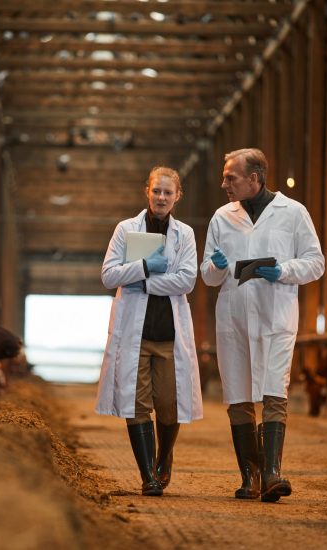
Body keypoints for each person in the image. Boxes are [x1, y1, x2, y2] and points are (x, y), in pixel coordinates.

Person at [200, 148, 324, 502]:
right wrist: (217, 266)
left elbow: (316, 263)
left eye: (231, 177)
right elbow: (207, 275)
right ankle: (249, 477)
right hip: (234, 318)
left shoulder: (294, 213)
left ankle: (272, 474)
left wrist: (284, 270)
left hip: (276, 316)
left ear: (254, 179)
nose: (225, 183)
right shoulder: (222, 217)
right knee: (239, 397)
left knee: (274, 392)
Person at [96, 166, 202, 497]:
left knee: (169, 405)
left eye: (167, 192)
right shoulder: (126, 229)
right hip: (135, 336)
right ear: (147, 191)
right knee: (137, 404)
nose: (161, 197)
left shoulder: (184, 234)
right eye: (156, 191)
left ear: (177, 196)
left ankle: (163, 457)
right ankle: (148, 476)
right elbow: (109, 275)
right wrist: (142, 266)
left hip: (170, 336)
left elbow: (187, 280)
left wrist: (142, 282)